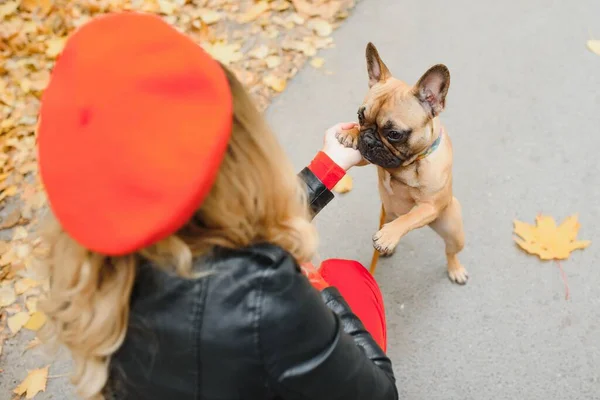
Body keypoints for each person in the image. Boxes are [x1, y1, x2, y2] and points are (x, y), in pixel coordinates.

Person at [36, 12, 398, 400]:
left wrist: (327, 166)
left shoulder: (95, 273)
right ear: (241, 153)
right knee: (350, 276)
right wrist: (312, 285)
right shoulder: (266, 295)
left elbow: (232, 215)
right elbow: (379, 393)